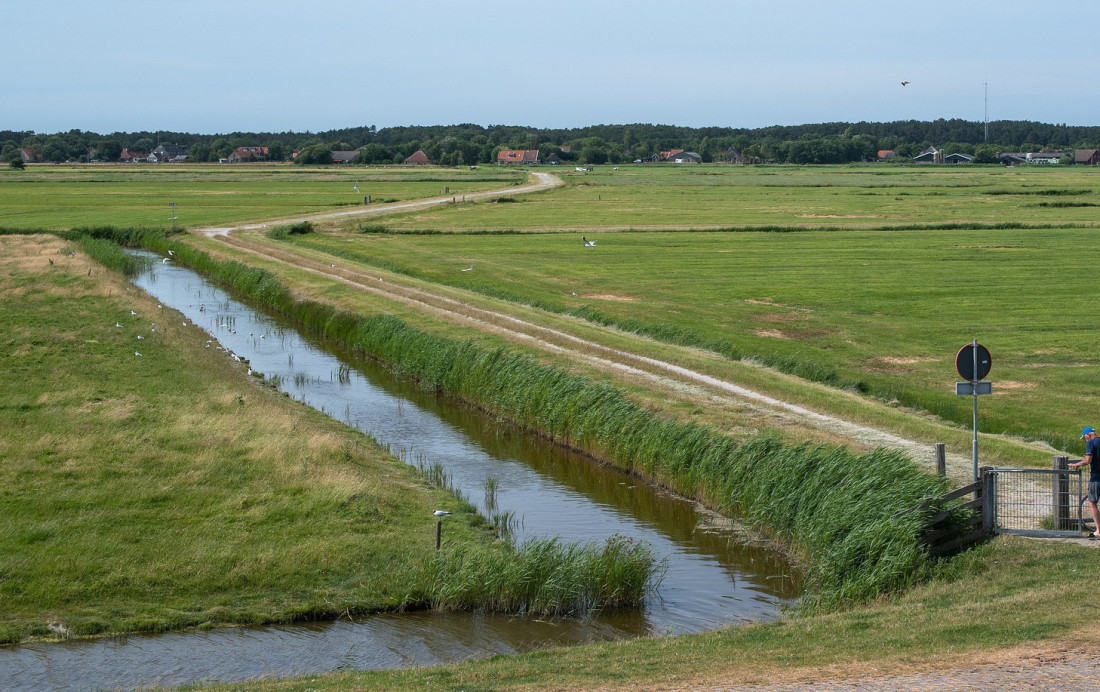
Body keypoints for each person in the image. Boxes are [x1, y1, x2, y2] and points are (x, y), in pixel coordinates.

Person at [1070, 426, 1100, 539]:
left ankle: (1098, 531)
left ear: (1089, 434)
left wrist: (1077, 464)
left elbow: (1087, 460)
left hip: (1096, 477)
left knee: (1092, 502)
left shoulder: (1091, 443)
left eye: (1084, 438)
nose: (1084, 440)